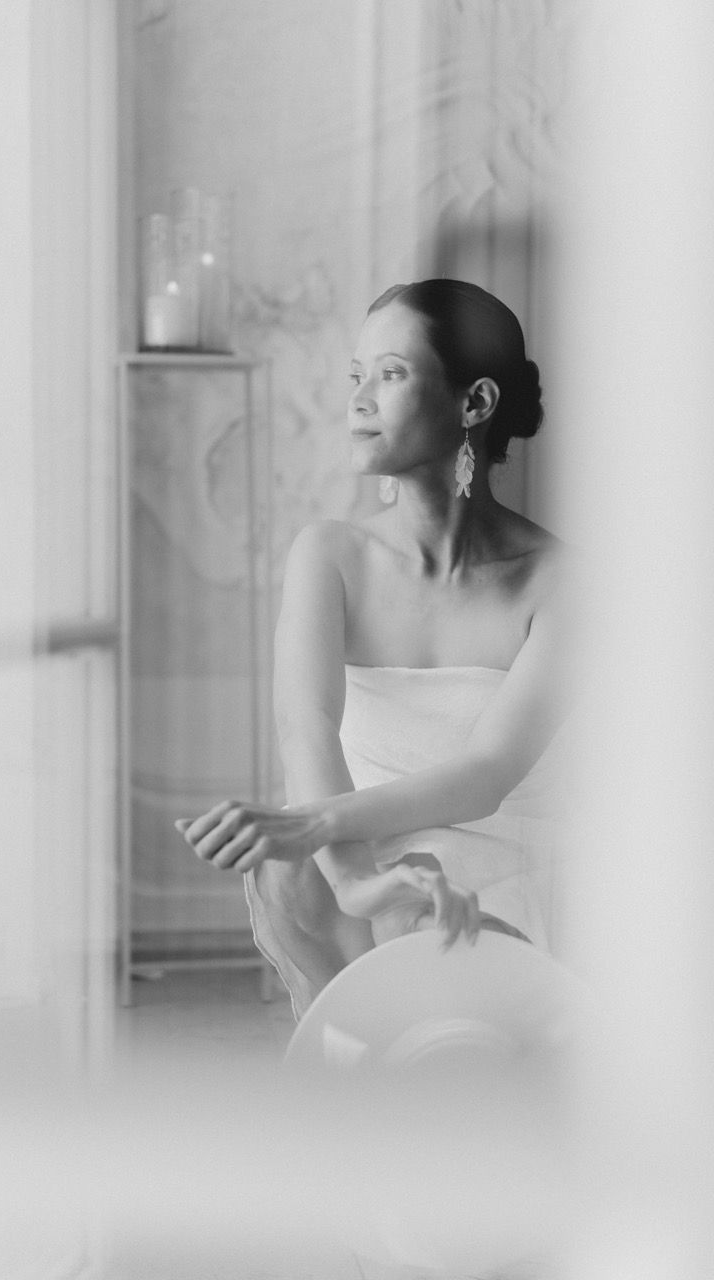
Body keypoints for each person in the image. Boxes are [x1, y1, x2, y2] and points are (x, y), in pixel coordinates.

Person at [177, 279, 579, 1019]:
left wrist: (318, 824)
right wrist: (354, 877)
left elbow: (487, 776)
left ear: (475, 403)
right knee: (300, 873)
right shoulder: (328, 554)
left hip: (510, 865)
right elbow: (306, 732)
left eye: (390, 374)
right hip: (359, 852)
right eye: (355, 375)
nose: (358, 400)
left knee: (428, 915)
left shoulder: (562, 583)